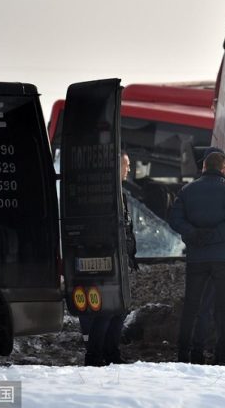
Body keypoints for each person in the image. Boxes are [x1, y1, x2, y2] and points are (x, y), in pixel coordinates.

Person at [168, 150, 225, 366]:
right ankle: (224, 357)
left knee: (192, 306)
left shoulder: (187, 191)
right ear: (224, 169)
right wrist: (216, 236)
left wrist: (196, 234)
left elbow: (175, 219)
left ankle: (188, 354)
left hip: (197, 257)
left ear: (203, 167)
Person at [80, 151, 137, 366]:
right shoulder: (106, 194)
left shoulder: (118, 193)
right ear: (116, 167)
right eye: (126, 165)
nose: (129, 169)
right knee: (108, 310)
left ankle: (111, 354)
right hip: (108, 260)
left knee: (119, 310)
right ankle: (95, 356)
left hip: (120, 260)